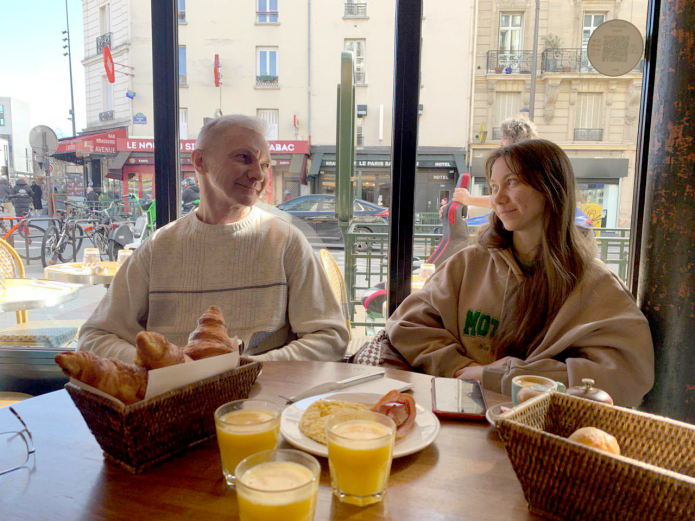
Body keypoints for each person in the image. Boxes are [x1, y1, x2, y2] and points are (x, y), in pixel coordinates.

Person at [385, 140, 654, 406]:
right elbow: (406, 324)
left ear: (551, 187)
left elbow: (627, 375)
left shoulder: (596, 284)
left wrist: (498, 377)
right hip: (460, 416)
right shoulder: (468, 263)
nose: (498, 198)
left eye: (511, 182)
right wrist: (458, 367)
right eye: (493, 187)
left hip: (544, 427)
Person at [78, 115, 349, 363]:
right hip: (172, 398)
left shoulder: (286, 241)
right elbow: (94, 337)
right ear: (199, 161)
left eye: (265, 164)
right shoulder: (159, 247)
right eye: (244, 158)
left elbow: (330, 338)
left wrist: (252, 367)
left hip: (263, 398)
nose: (259, 174)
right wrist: (159, 364)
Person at [447, 116, 539, 211]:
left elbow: (508, 199)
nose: (500, 143)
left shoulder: (523, 167)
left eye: (504, 137)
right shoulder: (528, 165)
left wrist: (470, 200)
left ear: (515, 141)